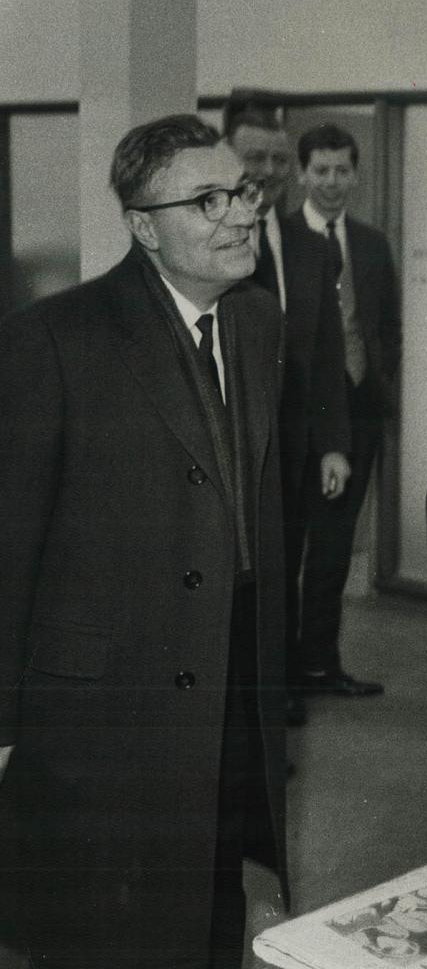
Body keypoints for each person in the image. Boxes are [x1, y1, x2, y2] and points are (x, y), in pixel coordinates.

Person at [0, 114, 291, 966]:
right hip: (105, 712)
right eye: (208, 201)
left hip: (231, 682)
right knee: (107, 931)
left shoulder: (258, 325)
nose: (241, 215)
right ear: (142, 227)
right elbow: (6, 548)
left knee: (209, 908)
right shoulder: (53, 341)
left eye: (242, 191)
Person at [227, 104, 353, 724]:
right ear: (229, 160)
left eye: (279, 159)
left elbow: (327, 355)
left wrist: (332, 443)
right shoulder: (214, 244)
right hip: (231, 448)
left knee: (282, 572)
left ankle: (274, 694)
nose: (270, 170)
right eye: (255, 157)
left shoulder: (309, 246)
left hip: (295, 447)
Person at [285, 123, 400, 699]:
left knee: (333, 550)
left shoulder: (372, 243)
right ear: (302, 173)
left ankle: (318, 665)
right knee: (286, 548)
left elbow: (387, 326)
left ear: (356, 173)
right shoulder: (279, 242)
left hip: (358, 414)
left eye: (342, 170)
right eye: (321, 170)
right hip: (297, 421)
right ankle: (279, 675)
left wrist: (379, 386)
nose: (332, 182)